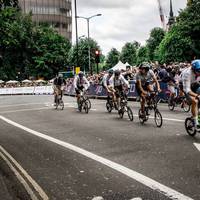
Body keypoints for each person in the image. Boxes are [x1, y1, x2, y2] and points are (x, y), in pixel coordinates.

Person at [181, 59, 200, 130]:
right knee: (195, 101)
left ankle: (195, 114)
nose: (199, 73)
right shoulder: (187, 73)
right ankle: (196, 123)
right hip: (186, 87)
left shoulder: (197, 71)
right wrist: (197, 96)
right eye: (198, 71)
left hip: (195, 84)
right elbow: (188, 90)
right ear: (193, 69)